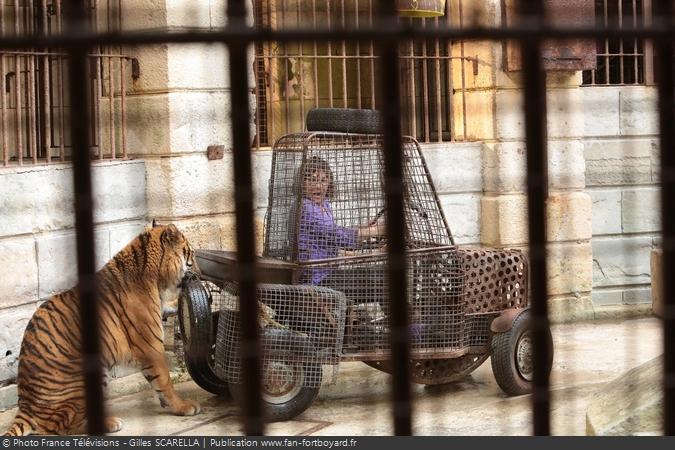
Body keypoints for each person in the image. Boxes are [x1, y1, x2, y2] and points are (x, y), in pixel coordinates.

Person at [295, 156, 385, 285]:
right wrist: (376, 230)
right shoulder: (305, 206)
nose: (318, 186)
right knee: (382, 279)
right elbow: (333, 234)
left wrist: (365, 229)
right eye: (312, 180)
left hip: (329, 270)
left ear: (329, 182)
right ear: (302, 183)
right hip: (316, 278)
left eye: (323, 180)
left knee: (380, 275)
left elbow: (329, 240)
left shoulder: (324, 204)